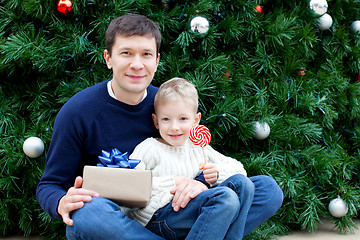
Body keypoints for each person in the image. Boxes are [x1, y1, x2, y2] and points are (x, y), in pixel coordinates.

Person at [36, 14, 283, 240]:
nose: (137, 64)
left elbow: (205, 157)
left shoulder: (168, 105)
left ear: (157, 61)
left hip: (178, 209)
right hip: (116, 219)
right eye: (126, 53)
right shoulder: (77, 112)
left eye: (146, 54)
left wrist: (202, 182)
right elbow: (49, 185)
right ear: (108, 58)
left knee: (266, 190)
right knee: (89, 211)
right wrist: (59, 202)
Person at [125, 77, 253, 239]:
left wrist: (216, 173)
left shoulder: (196, 145)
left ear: (196, 120)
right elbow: (129, 185)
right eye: (166, 119)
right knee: (226, 199)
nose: (174, 127)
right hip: (159, 218)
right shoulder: (150, 148)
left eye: (183, 119)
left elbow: (240, 170)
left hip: (191, 212)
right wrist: (175, 182)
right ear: (156, 121)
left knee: (243, 184)